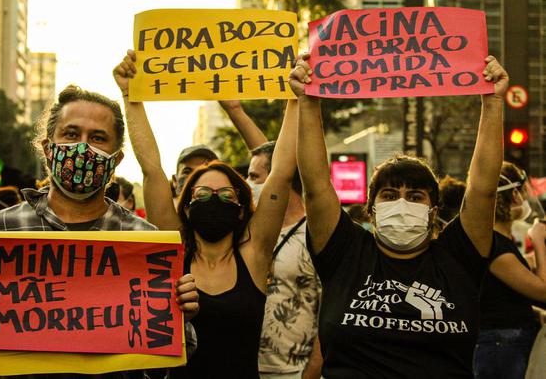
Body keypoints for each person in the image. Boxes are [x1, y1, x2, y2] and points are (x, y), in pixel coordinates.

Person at [0, 85, 199, 378]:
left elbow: (167, 363)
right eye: (71, 134)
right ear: (48, 148)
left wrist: (177, 316)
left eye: (98, 138)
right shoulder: (0, 229)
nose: (83, 148)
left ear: (116, 158)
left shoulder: (145, 242)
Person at [289, 53, 507, 378]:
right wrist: (308, 102)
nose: (402, 204)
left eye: (415, 196)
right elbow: (317, 186)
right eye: (390, 195)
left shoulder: (457, 257)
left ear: (433, 212)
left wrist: (492, 103)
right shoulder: (346, 252)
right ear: (372, 209)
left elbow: (483, 190)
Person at [114, 49, 298, 379]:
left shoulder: (255, 254)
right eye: (202, 194)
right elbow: (153, 171)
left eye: (226, 195)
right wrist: (131, 97)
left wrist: (295, 98)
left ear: (241, 207)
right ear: (185, 205)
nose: (214, 200)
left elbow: (281, 171)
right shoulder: (173, 251)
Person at [220, 100, 322, 379]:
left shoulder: (318, 234)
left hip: (293, 372)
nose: (247, 183)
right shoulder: (247, 230)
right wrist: (235, 111)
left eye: (254, 176)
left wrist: (311, 372)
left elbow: (331, 311)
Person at [473, 162, 545, 379]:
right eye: (522, 191)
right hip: (502, 344)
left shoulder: (502, 241)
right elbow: (543, 291)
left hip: (508, 340)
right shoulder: (494, 245)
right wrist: (539, 240)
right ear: (514, 194)